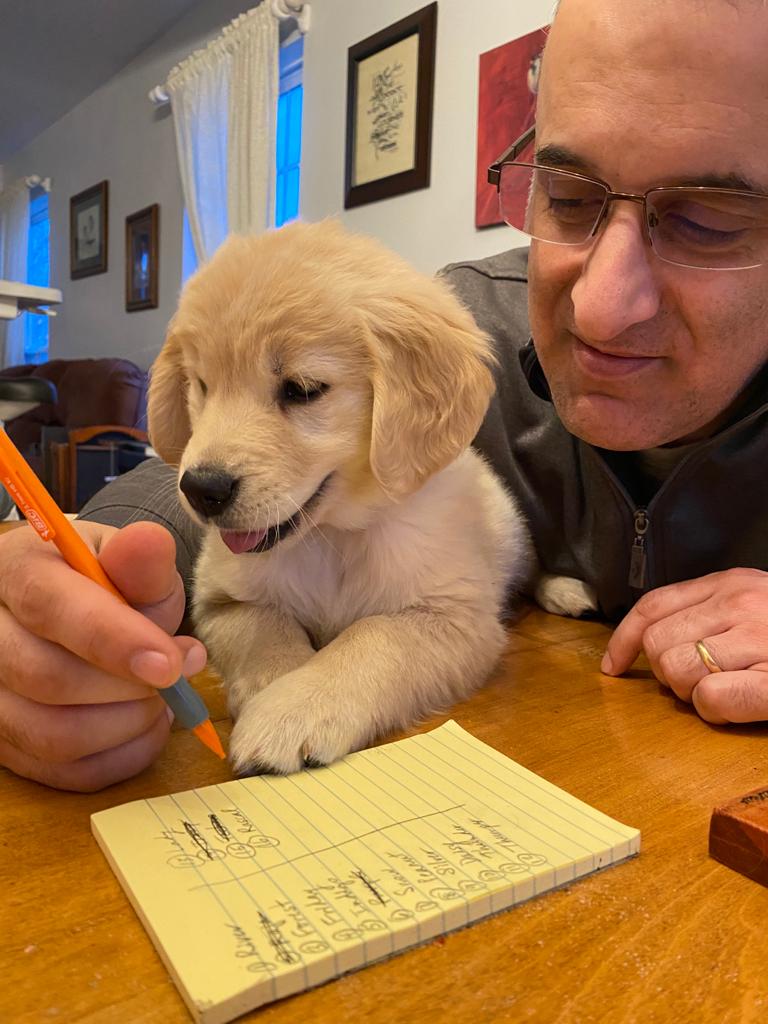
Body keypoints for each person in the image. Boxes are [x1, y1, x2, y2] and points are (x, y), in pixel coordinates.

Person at [3, 0, 768, 791]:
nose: (599, 308)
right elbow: (197, 479)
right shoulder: (474, 321)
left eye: (706, 221)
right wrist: (76, 561)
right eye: (568, 197)